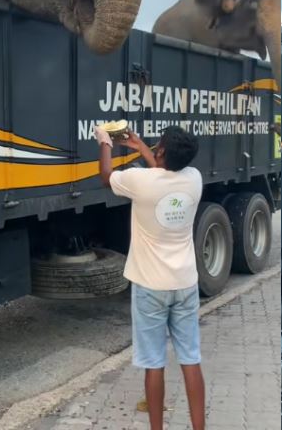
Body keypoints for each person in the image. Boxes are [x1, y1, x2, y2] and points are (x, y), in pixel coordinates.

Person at [94, 124, 206, 430]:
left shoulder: (140, 181)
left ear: (163, 152)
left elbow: (106, 177)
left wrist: (105, 143)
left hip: (150, 288)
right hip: (185, 283)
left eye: (158, 145)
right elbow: (164, 170)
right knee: (190, 359)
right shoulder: (194, 179)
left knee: (154, 364)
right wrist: (142, 146)